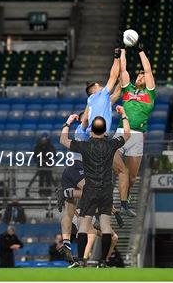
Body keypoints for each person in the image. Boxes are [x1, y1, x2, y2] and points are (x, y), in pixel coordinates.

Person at [59, 105, 131, 267]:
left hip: (90, 190)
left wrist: (68, 122)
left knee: (84, 225)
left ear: (91, 132)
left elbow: (63, 140)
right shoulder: (111, 145)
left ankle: (79, 259)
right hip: (106, 189)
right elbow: (127, 134)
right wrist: (124, 115)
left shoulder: (84, 146)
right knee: (105, 225)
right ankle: (103, 261)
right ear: (105, 132)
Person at [114, 46, 157, 217]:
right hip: (120, 132)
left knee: (131, 178)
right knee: (118, 167)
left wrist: (141, 51)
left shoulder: (150, 94)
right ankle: (111, 199)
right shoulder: (128, 89)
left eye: (143, 76)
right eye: (139, 75)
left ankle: (124, 200)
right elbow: (122, 69)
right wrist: (123, 50)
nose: (141, 76)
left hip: (138, 136)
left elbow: (148, 69)